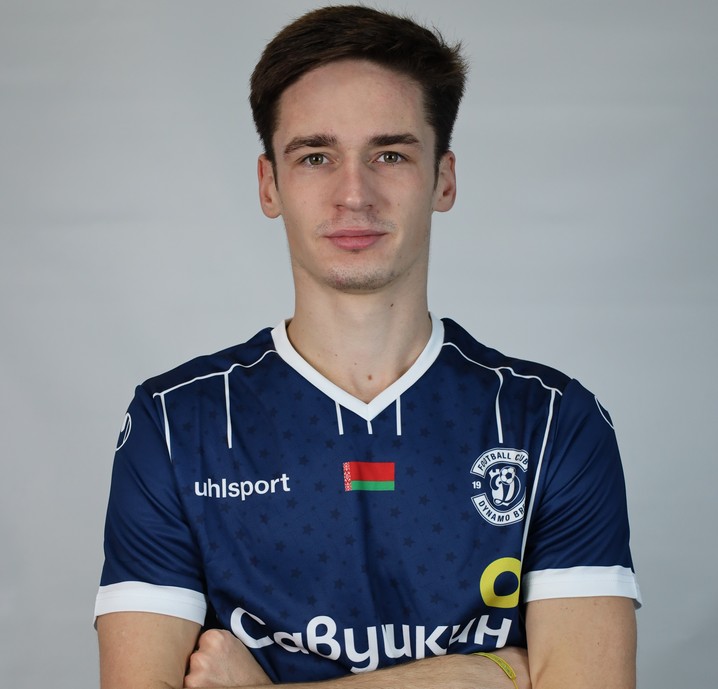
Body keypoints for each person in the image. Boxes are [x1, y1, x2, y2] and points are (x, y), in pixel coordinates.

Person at [95, 5, 640, 688]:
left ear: (443, 178)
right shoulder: (177, 424)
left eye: (390, 154)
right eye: (315, 157)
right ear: (269, 184)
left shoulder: (553, 420)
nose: (354, 194)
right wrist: (482, 674)